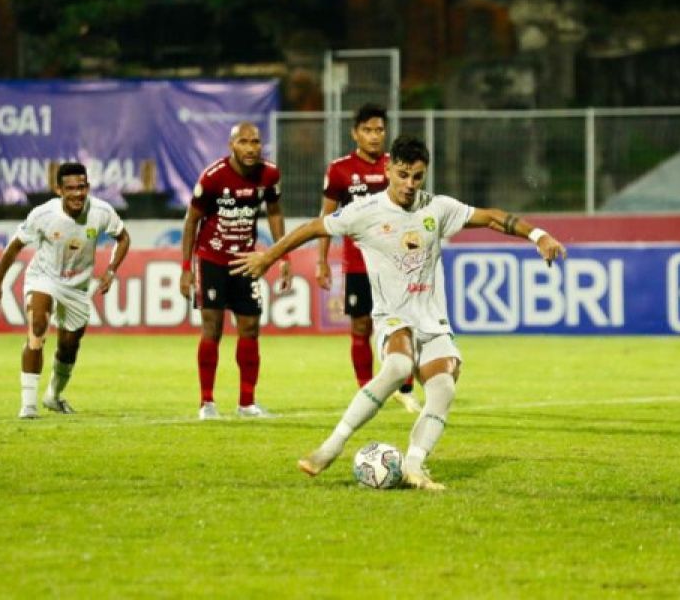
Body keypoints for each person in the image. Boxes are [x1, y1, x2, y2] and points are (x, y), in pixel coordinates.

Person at [233, 135, 567, 490]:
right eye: (403, 174)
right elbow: (314, 227)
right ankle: (330, 447)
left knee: (443, 390)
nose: (410, 184)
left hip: (432, 320)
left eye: (417, 176)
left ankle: (414, 465)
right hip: (392, 318)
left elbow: (493, 218)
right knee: (397, 367)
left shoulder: (436, 208)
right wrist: (269, 257)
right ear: (389, 169)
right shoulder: (365, 212)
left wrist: (539, 236)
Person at [0, 161, 130, 418]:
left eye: (81, 187)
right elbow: (14, 247)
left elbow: (123, 237)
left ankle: (53, 395)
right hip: (44, 277)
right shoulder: (43, 215)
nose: (77, 194)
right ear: (58, 190)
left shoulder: (102, 212)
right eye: (70, 188)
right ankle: (28, 405)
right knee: (37, 327)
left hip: (77, 287)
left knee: (69, 346)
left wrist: (112, 269)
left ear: (88, 187)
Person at [180, 121, 292, 420]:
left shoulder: (269, 174)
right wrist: (186, 268)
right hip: (212, 260)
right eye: (244, 142)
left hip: (247, 262)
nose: (251, 148)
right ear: (232, 145)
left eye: (255, 141)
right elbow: (191, 220)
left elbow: (275, 212)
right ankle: (207, 403)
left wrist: (282, 256)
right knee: (212, 329)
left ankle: (247, 403)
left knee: (250, 329)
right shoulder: (214, 177)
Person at [317, 102, 421, 413]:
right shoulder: (340, 170)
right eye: (367, 130)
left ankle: (405, 389)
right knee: (360, 326)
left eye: (379, 130)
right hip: (360, 266)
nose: (375, 136)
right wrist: (322, 261)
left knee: (405, 326)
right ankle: (367, 389)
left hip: (398, 265)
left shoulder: (397, 167)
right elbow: (325, 218)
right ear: (355, 133)